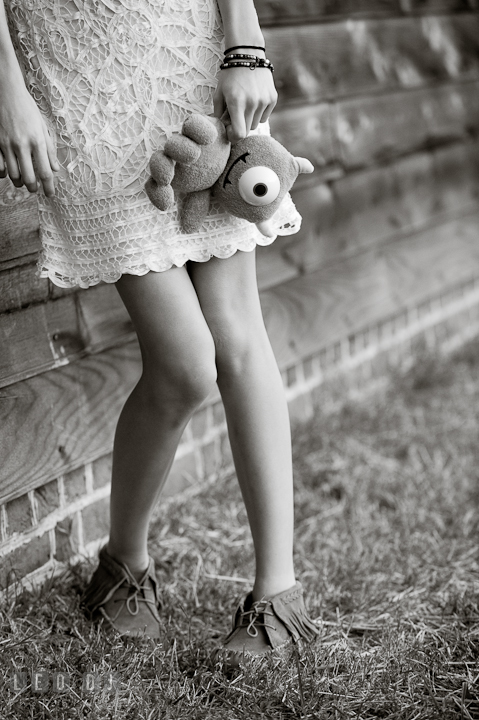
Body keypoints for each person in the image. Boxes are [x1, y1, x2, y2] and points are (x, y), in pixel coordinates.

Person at [0, 0, 318, 662]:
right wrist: (6, 86)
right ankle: (123, 565)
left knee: (237, 335)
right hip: (76, 83)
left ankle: (277, 597)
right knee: (184, 364)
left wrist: (244, 45)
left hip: (185, 59)